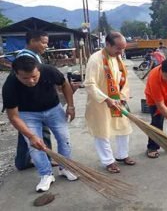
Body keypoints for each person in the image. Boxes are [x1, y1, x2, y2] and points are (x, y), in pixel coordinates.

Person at [2, 56, 78, 192]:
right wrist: (31, 136)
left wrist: (70, 106)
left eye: (34, 76)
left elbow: (64, 84)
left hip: (53, 109)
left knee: (64, 138)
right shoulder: (10, 85)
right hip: (27, 114)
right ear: (16, 74)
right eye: (25, 78)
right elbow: (13, 117)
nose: (31, 81)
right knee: (36, 146)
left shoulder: (48, 70)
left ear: (39, 70)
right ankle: (46, 174)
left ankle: (65, 168)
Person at [84, 32, 135, 174]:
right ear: (107, 45)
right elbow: (89, 84)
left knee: (124, 128)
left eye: (123, 48)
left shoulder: (117, 58)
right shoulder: (95, 59)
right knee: (102, 132)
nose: (121, 52)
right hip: (100, 103)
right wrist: (106, 99)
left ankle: (122, 155)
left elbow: (123, 80)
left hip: (117, 100)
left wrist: (123, 97)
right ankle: (108, 161)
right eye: (118, 48)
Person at [9, 30, 55, 170]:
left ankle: (22, 162)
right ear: (33, 41)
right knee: (40, 131)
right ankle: (46, 158)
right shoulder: (25, 58)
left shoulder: (34, 56)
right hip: (31, 104)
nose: (46, 46)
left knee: (27, 133)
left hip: (30, 103)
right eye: (43, 42)